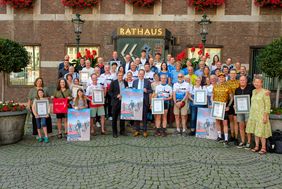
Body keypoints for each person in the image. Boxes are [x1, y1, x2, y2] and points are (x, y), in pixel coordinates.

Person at [246, 76, 272, 154]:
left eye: (258, 82)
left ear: (262, 83)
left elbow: (268, 105)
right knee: (255, 131)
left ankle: (263, 148)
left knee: (261, 132)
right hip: (253, 114)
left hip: (261, 115)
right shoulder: (253, 91)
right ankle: (257, 146)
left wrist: (265, 116)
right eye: (255, 82)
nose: (256, 83)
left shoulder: (265, 92)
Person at [212, 72, 233, 146]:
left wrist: (229, 106)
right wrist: (212, 104)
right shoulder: (215, 86)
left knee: (225, 123)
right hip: (217, 106)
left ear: (225, 78)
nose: (221, 78)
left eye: (222, 77)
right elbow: (212, 96)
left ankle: (226, 139)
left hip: (224, 106)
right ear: (218, 78)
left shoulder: (228, 87)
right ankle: (220, 136)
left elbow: (231, 97)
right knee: (217, 121)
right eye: (220, 77)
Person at [235, 76, 255, 149]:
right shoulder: (237, 90)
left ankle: (249, 142)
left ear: (246, 81)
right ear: (239, 81)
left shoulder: (251, 88)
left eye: (243, 80)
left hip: (248, 110)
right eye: (241, 80)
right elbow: (235, 100)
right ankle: (243, 141)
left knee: (248, 126)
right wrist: (235, 105)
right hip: (239, 111)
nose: (242, 81)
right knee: (241, 126)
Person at [133, 69, 153, 137]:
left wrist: (146, 90)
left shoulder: (147, 82)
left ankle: (144, 131)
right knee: (136, 117)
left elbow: (151, 91)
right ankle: (137, 130)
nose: (141, 75)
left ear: (144, 74)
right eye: (140, 74)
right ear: (138, 74)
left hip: (144, 101)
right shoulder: (135, 82)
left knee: (144, 117)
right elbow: (132, 91)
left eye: (142, 74)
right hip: (137, 101)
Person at [109, 72, 128, 138]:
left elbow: (127, 91)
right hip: (115, 103)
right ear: (117, 76)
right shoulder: (113, 82)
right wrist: (116, 96)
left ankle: (122, 131)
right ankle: (114, 132)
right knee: (114, 118)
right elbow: (110, 92)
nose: (120, 76)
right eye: (119, 75)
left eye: (121, 75)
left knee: (122, 117)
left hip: (123, 102)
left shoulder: (125, 82)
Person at [226, 69, 240, 145]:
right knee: (230, 120)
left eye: (234, 73)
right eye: (231, 73)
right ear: (229, 74)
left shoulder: (238, 82)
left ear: (236, 75)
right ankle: (231, 135)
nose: (233, 75)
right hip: (229, 103)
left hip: (237, 103)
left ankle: (236, 137)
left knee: (235, 121)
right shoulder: (227, 83)